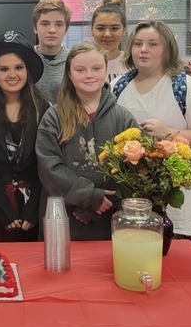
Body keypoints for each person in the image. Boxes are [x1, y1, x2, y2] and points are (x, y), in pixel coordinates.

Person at [112, 20, 191, 240]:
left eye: (153, 44)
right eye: (138, 44)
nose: (143, 50)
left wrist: (168, 132)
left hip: (179, 197)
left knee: (176, 264)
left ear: (167, 49)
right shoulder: (119, 86)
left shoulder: (185, 87)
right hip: (134, 194)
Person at [36, 42, 139, 240]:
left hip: (108, 215)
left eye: (96, 68)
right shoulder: (53, 116)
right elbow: (48, 166)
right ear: (69, 74)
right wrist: (88, 196)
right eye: (80, 70)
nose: (89, 75)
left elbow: (133, 167)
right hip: (63, 216)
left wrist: (97, 205)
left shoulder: (123, 118)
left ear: (106, 69)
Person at [0, 31, 50, 242]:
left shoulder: (43, 108)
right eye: (4, 69)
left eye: (18, 68)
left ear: (28, 71)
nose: (12, 75)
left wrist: (33, 208)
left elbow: (47, 163)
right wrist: (3, 209)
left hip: (35, 204)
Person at [32, 0, 71, 103]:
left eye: (59, 24)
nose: (52, 30)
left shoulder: (74, 60)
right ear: (35, 27)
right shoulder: (26, 59)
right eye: (45, 24)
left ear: (66, 29)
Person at [91, 0, 128, 84]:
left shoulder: (132, 64)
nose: (107, 34)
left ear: (124, 31)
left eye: (114, 28)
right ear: (91, 30)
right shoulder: (80, 63)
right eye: (100, 28)